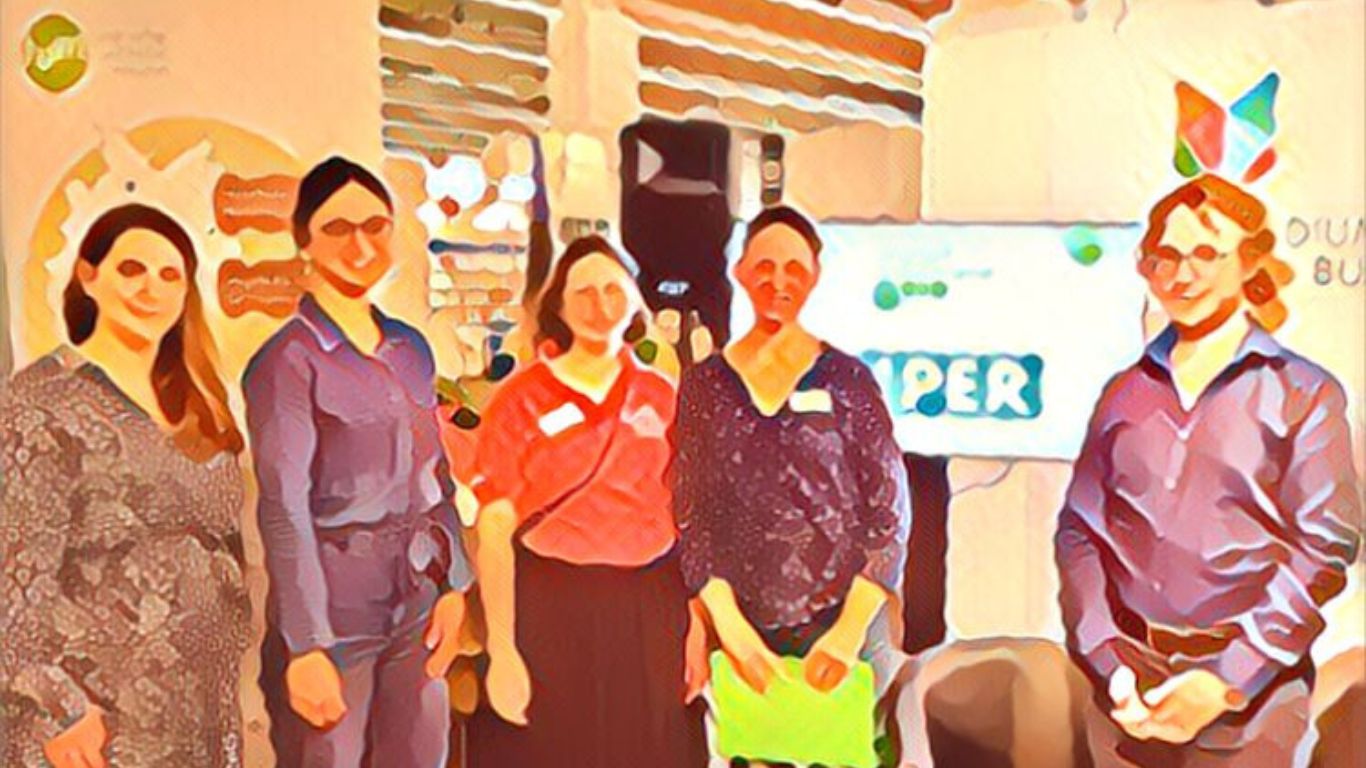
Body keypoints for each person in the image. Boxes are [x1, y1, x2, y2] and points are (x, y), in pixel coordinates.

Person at [1056, 173, 1363, 767]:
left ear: (1249, 263)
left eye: (1205, 253)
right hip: (1127, 698)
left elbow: (1325, 546)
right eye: (1167, 256)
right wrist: (1109, 662)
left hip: (1252, 706)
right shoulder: (1123, 395)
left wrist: (1226, 680)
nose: (1183, 274)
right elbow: (1080, 531)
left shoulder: (1304, 393)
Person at [243, 157, 473, 768]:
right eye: (338, 228)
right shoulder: (287, 360)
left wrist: (455, 584)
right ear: (305, 241)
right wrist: (306, 646)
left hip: (417, 600)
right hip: (335, 611)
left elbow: (437, 475)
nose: (361, 245)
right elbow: (283, 506)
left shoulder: (410, 348)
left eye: (375, 226)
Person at [1, 204, 248, 767]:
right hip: (92, 721)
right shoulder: (40, 403)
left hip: (200, 710)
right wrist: (59, 707)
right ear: (89, 276)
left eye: (169, 276)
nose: (150, 289)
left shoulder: (199, 404)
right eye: (131, 269)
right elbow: (14, 578)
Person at [672, 206, 912, 754]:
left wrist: (847, 634)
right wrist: (733, 632)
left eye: (794, 269)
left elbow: (889, 515)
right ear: (740, 271)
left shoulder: (849, 380)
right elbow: (692, 517)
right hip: (743, 635)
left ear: (814, 277)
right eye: (764, 266)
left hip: (847, 634)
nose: (778, 281)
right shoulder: (704, 386)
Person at [464, 235, 707, 768]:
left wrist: (696, 624)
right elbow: (495, 528)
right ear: (559, 305)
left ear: (634, 301)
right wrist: (501, 648)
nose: (600, 306)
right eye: (584, 293)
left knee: (646, 751)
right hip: (552, 606)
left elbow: (688, 518)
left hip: (649, 607)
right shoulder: (520, 398)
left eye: (613, 291)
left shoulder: (662, 394)